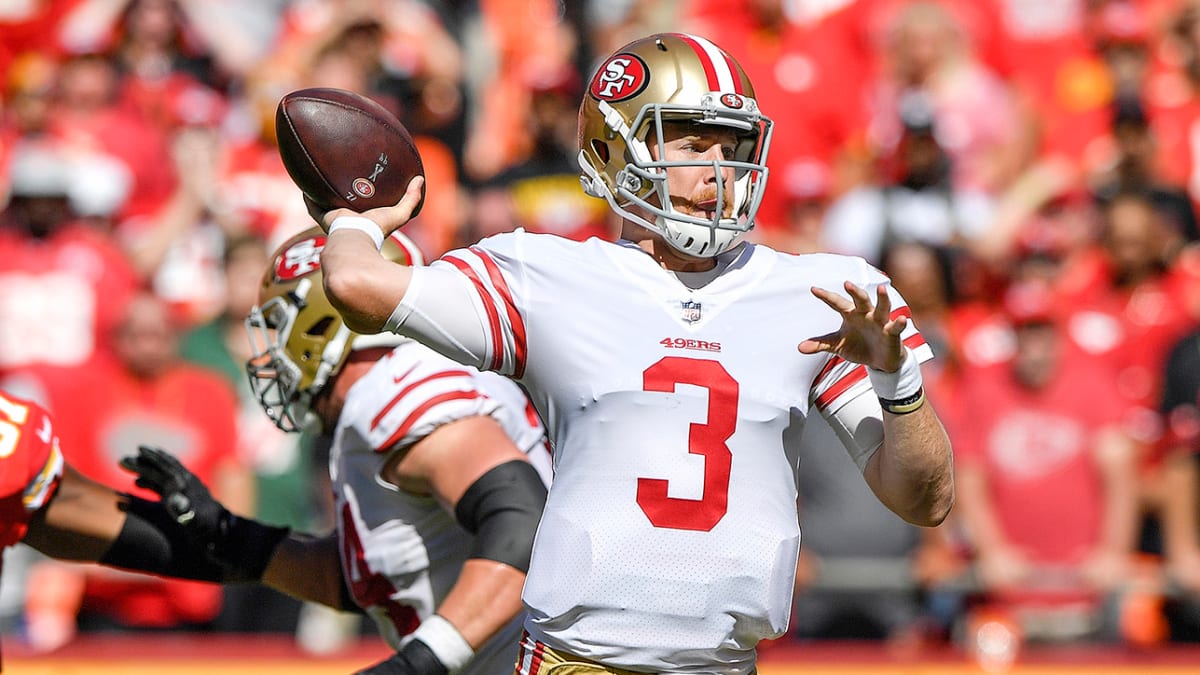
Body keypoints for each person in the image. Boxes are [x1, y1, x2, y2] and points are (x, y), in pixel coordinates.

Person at [309, 32, 955, 673]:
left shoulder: (825, 292)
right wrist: (357, 218)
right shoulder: (548, 274)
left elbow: (925, 500)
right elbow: (357, 286)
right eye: (694, 144)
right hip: (577, 662)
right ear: (614, 149)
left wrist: (898, 380)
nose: (718, 171)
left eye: (732, 146)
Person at [122, 226, 552, 675]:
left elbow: (523, 524)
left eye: (280, 326)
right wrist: (229, 533)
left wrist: (419, 663)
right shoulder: (397, 387)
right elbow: (370, 579)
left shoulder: (389, 392)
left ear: (322, 323)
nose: (274, 354)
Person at [0, 385, 291, 668]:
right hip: (105, 613)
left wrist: (229, 541)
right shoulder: (81, 396)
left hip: (184, 615)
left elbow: (72, 507)